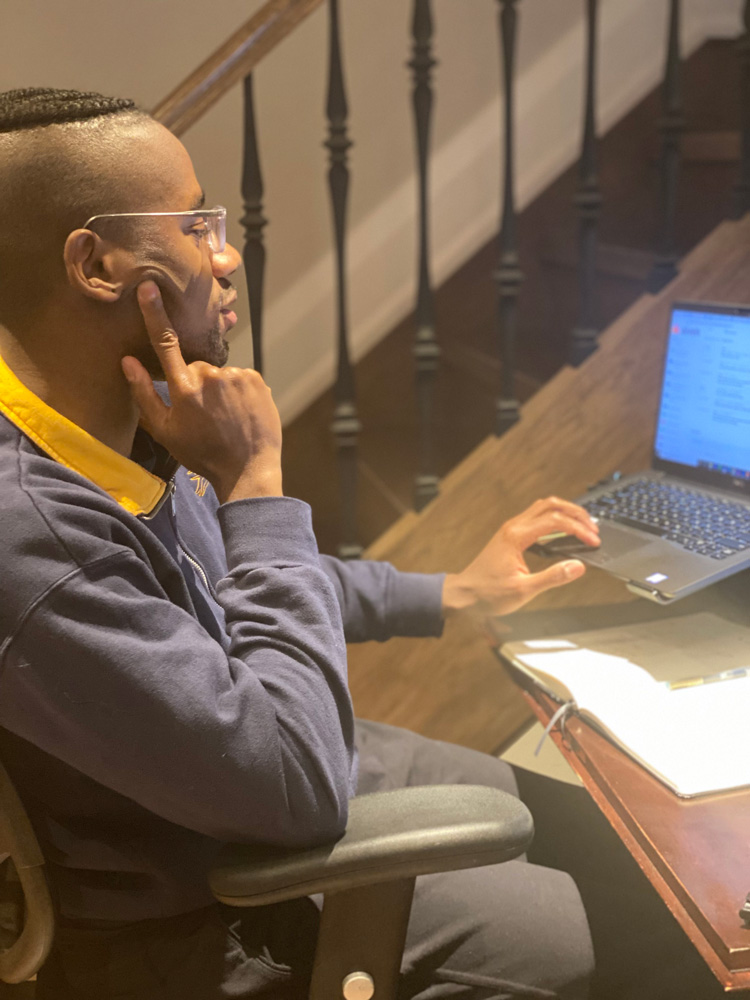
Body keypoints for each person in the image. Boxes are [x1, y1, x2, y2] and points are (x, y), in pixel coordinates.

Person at [0, 86, 610, 1000]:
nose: (228, 253)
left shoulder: (103, 430)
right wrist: (255, 480)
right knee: (582, 926)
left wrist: (448, 593)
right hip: (203, 907)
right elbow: (292, 781)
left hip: (253, 771)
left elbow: (231, 577)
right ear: (95, 264)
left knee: (560, 811)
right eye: (198, 222)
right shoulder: (32, 535)